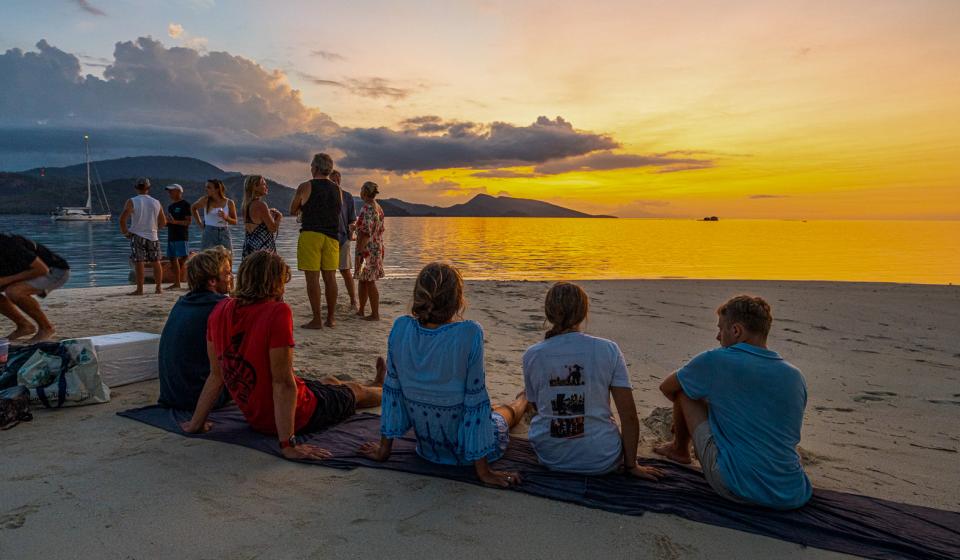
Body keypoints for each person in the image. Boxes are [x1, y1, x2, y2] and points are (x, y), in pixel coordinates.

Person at [181, 251, 384, 460]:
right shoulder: (276, 312)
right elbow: (283, 383)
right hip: (296, 417)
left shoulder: (219, 310)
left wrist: (197, 423)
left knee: (330, 381)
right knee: (355, 390)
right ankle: (387, 391)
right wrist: (288, 445)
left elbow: (216, 375)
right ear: (274, 282)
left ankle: (376, 382)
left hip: (256, 415)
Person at [359, 262, 527, 488]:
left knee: (490, 410)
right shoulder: (469, 333)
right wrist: (484, 472)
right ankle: (524, 400)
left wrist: (383, 451)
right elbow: (475, 402)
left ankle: (520, 401)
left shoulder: (401, 328)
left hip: (428, 448)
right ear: (458, 300)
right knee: (504, 414)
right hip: (465, 454)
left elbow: (392, 393)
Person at [654, 295, 812, 510]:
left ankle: (679, 449)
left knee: (685, 388)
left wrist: (706, 403)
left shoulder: (716, 359)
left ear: (736, 331)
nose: (718, 336)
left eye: (721, 329)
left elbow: (668, 387)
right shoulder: (795, 376)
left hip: (737, 486)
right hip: (792, 492)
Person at [523, 282, 664, 480]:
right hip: (601, 458)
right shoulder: (608, 349)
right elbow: (629, 415)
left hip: (550, 455)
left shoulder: (532, 354)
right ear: (583, 313)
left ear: (549, 314)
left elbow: (537, 405)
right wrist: (632, 465)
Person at [158, 247, 233, 410]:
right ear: (212, 281)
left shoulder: (181, 303)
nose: (230, 278)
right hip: (198, 397)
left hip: (171, 394)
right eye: (227, 274)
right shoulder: (221, 307)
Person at [290, 153, 342, 329]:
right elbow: (337, 210)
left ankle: (317, 319)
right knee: (330, 278)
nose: (311, 169)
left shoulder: (306, 186)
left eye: (312, 166)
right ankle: (331, 318)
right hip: (332, 236)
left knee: (312, 279)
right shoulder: (337, 189)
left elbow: (292, 209)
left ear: (317, 168)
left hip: (311, 234)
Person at [0, 233, 70, 342]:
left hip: (54, 271)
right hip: (26, 272)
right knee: (13, 290)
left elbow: (41, 269)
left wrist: (5, 280)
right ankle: (24, 326)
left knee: (14, 292)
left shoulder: (6, 244)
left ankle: (46, 328)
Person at [119, 177, 167, 296]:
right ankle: (158, 288)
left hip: (137, 235)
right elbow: (163, 222)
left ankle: (140, 290)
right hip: (153, 235)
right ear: (149, 188)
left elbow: (122, 219)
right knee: (156, 262)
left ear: (136, 188)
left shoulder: (132, 201)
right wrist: (155, 228)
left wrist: (126, 233)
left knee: (139, 262)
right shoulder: (156, 202)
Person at [354, 181, 385, 321]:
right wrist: (355, 228)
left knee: (369, 280)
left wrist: (360, 252)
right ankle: (361, 310)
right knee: (363, 280)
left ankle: (375, 314)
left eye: (361, 190)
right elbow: (376, 229)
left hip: (368, 249)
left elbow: (366, 233)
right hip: (377, 247)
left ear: (365, 193)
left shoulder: (367, 208)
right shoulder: (378, 207)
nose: (360, 193)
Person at [330, 170, 358, 311]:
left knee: (345, 270)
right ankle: (332, 302)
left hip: (343, 238)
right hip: (328, 237)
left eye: (337, 180)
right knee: (329, 272)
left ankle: (353, 300)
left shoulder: (347, 197)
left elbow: (352, 218)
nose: (335, 182)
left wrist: (351, 230)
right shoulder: (326, 196)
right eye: (332, 180)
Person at [240, 174, 282, 259]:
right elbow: (273, 228)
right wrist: (279, 218)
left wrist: (268, 214)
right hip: (262, 251)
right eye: (263, 184)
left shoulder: (246, 206)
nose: (266, 186)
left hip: (249, 248)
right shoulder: (261, 205)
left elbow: (254, 224)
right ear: (255, 187)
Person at [192, 178, 237, 252]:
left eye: (209, 187)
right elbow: (193, 208)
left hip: (224, 233)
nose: (206, 189)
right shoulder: (205, 200)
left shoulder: (229, 202)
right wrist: (200, 224)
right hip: (209, 233)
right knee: (206, 259)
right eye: (206, 187)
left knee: (228, 259)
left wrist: (226, 217)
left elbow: (235, 222)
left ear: (217, 189)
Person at [164, 184, 192, 290]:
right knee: (172, 259)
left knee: (183, 257)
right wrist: (165, 222)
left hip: (181, 235)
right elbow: (171, 222)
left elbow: (188, 222)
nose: (169, 193)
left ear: (179, 191)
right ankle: (176, 283)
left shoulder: (185, 204)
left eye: (171, 191)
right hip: (171, 235)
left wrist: (174, 222)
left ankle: (183, 280)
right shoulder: (170, 207)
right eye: (169, 191)